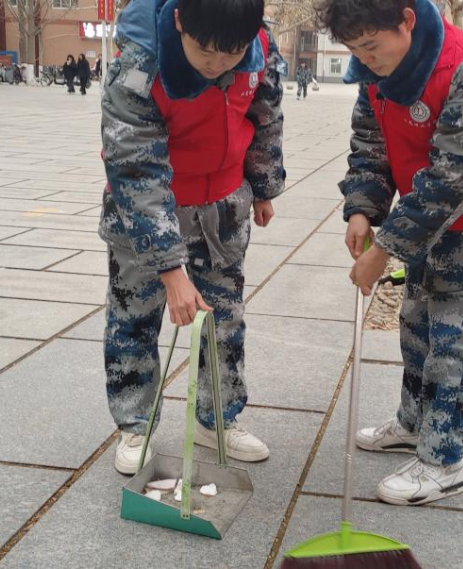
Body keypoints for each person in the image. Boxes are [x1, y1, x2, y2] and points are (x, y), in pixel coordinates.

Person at [318, 0, 463, 506]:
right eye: (355, 49)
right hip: (426, 233)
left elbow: (451, 179)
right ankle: (415, 425)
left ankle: (444, 460)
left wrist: (385, 248)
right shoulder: (375, 74)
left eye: (372, 45)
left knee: (454, 349)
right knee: (417, 330)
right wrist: (362, 211)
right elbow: (369, 144)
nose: (366, 59)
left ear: (407, 21)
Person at [101, 0, 285, 474]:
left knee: (224, 321)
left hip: (222, 207)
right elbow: (135, 166)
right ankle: (135, 425)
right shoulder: (139, 64)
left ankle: (217, 418)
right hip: (146, 216)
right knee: (135, 320)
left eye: (231, 54)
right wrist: (169, 268)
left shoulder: (259, 47)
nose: (217, 64)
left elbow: (266, 117)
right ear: (180, 19)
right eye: (205, 51)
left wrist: (262, 186)